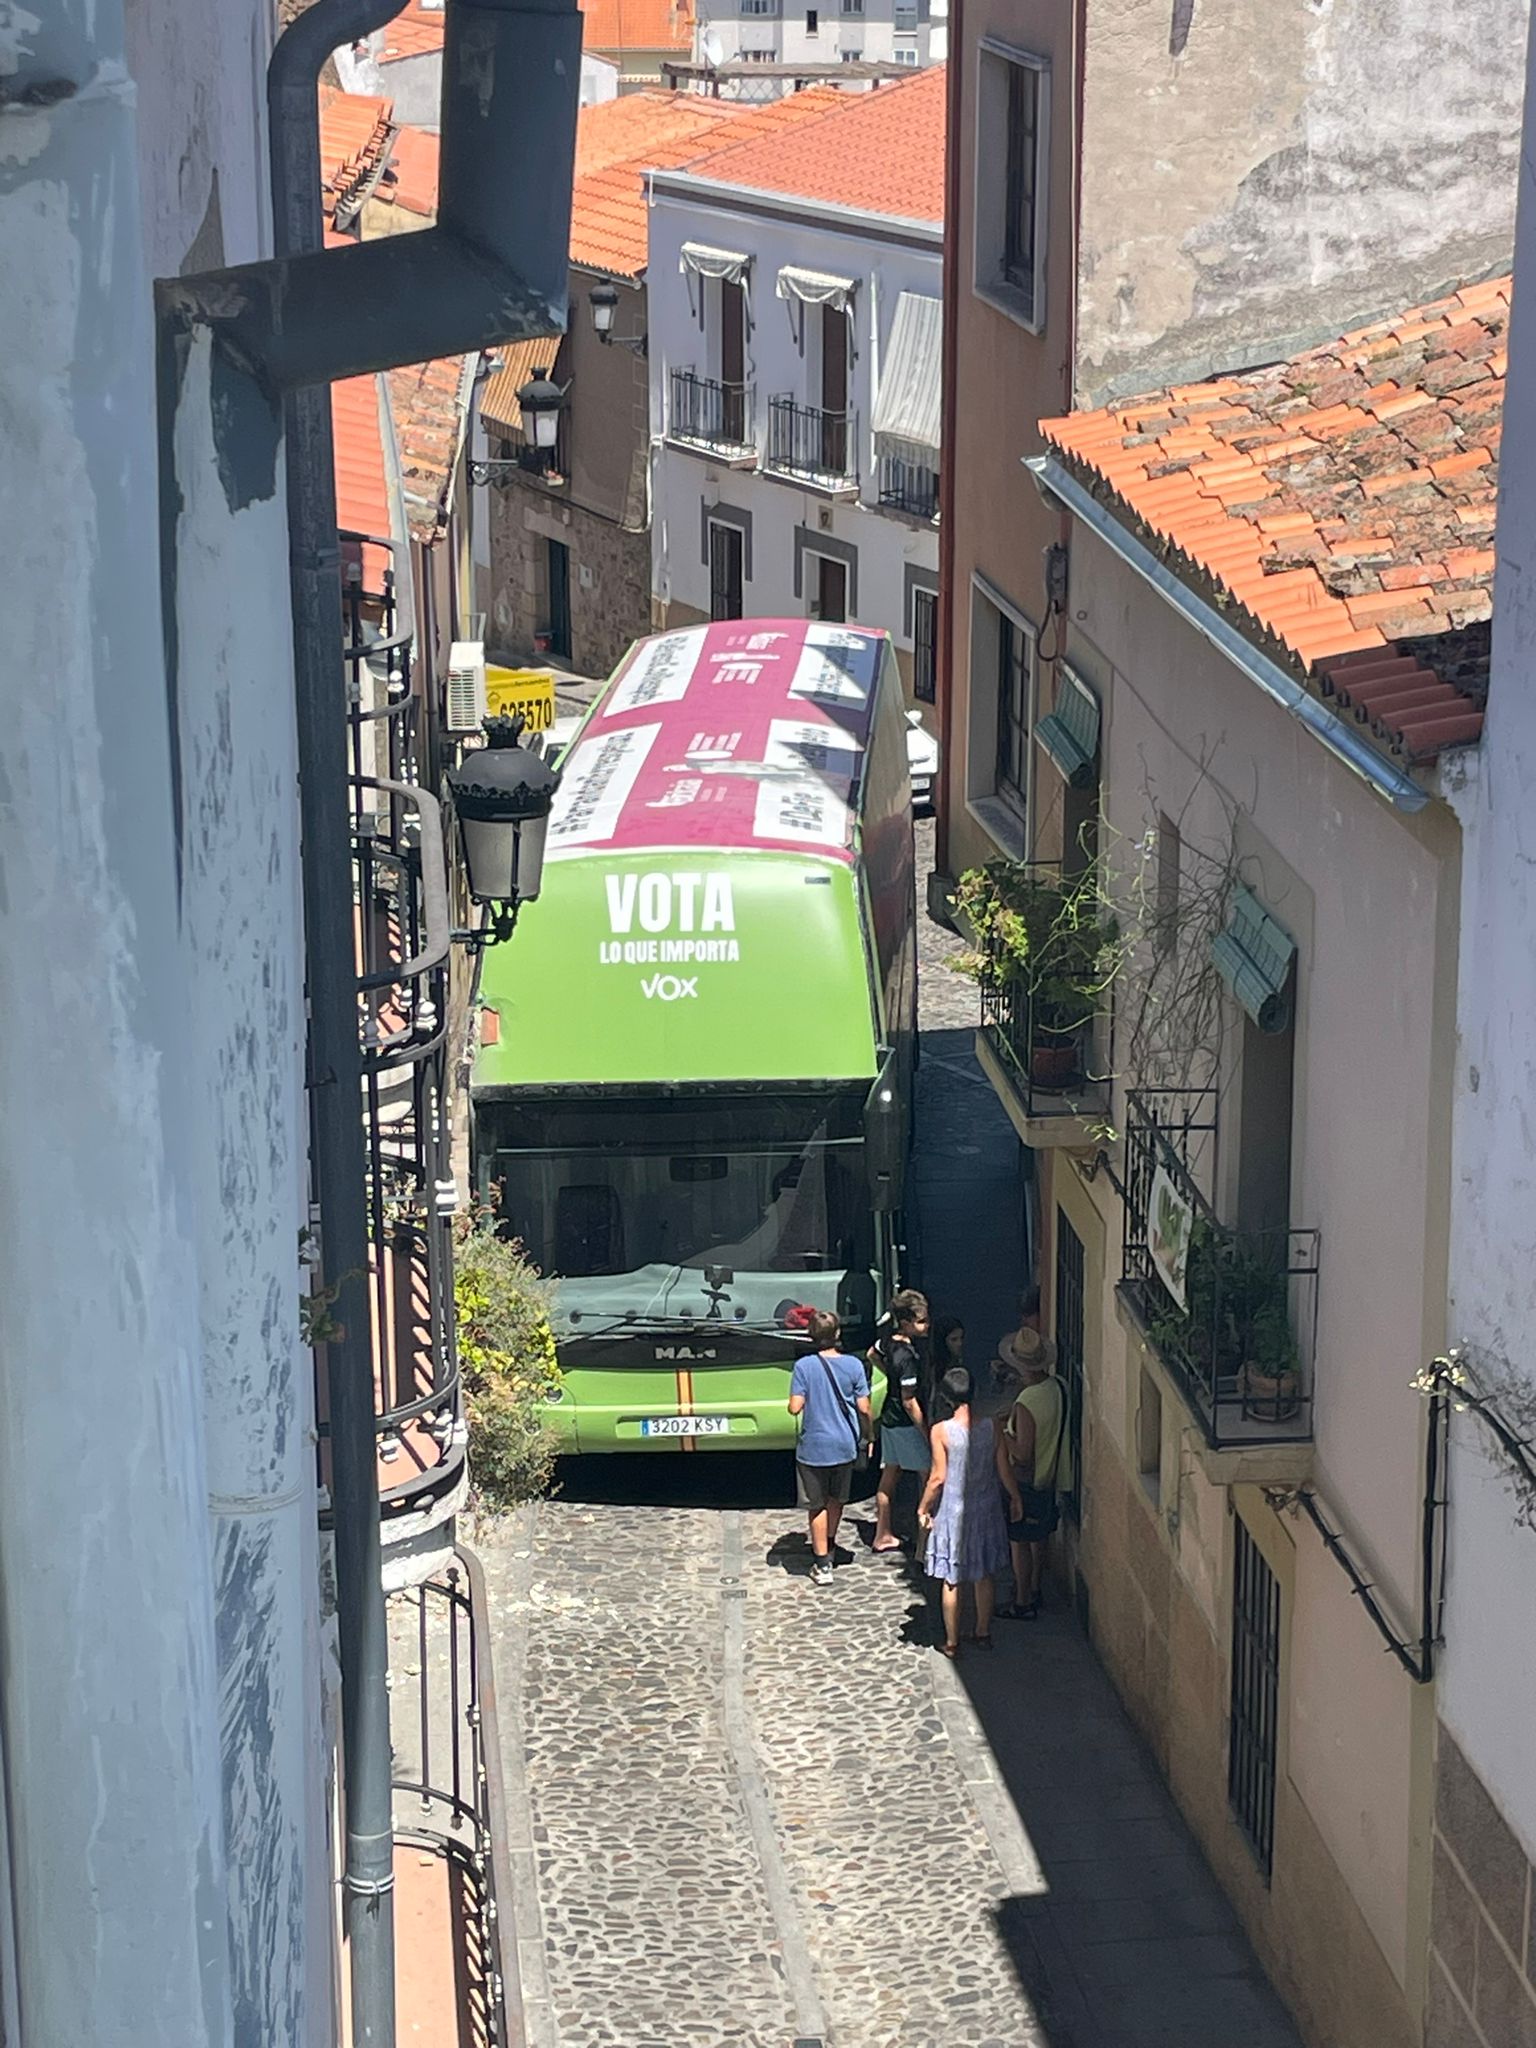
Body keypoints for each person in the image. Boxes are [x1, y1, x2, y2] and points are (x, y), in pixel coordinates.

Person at [917, 1365, 1016, 1658]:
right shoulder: (991, 1427)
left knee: (952, 1577)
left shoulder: (941, 1432)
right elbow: (1003, 1468)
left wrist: (923, 1507)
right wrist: (1015, 1496)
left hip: (953, 1511)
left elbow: (937, 1477)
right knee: (984, 1574)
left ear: (947, 1398)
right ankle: (983, 1631)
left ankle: (951, 1640)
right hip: (986, 1507)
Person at [788, 1309, 873, 1586]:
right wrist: (868, 1436)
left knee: (816, 1506)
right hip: (844, 1444)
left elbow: (795, 1407)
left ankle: (822, 1564)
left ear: (811, 1336)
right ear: (837, 1334)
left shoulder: (803, 1367)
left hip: (814, 1447)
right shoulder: (854, 1365)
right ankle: (832, 1545)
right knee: (837, 1499)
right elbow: (864, 1407)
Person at [1000, 1324, 1072, 1619]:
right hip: (1050, 1475)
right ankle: (1036, 1589)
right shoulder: (1059, 1386)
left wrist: (1001, 1432)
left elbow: (1022, 1452)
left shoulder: (1027, 1401)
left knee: (1020, 1543)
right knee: (1040, 1538)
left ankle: (1022, 1600)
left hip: (1026, 1482)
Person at [869, 1288, 932, 1555]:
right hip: (905, 1424)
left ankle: (882, 1533)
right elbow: (909, 1401)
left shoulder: (886, 1341)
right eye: (921, 1321)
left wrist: (888, 1374)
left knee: (889, 1476)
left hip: (888, 1419)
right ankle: (924, 1544)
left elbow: (872, 1354)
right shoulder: (907, 1358)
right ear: (906, 1323)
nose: (926, 1325)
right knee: (929, 1477)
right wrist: (926, 1431)